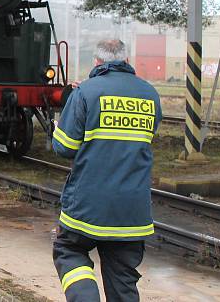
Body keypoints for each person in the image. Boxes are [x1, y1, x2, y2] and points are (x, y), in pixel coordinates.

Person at [52, 39, 161, 302]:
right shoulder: (150, 94)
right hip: (132, 212)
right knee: (123, 279)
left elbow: (64, 147)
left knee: (68, 251)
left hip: (88, 205)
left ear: (97, 62)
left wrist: (62, 121)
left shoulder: (86, 92)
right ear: (126, 60)